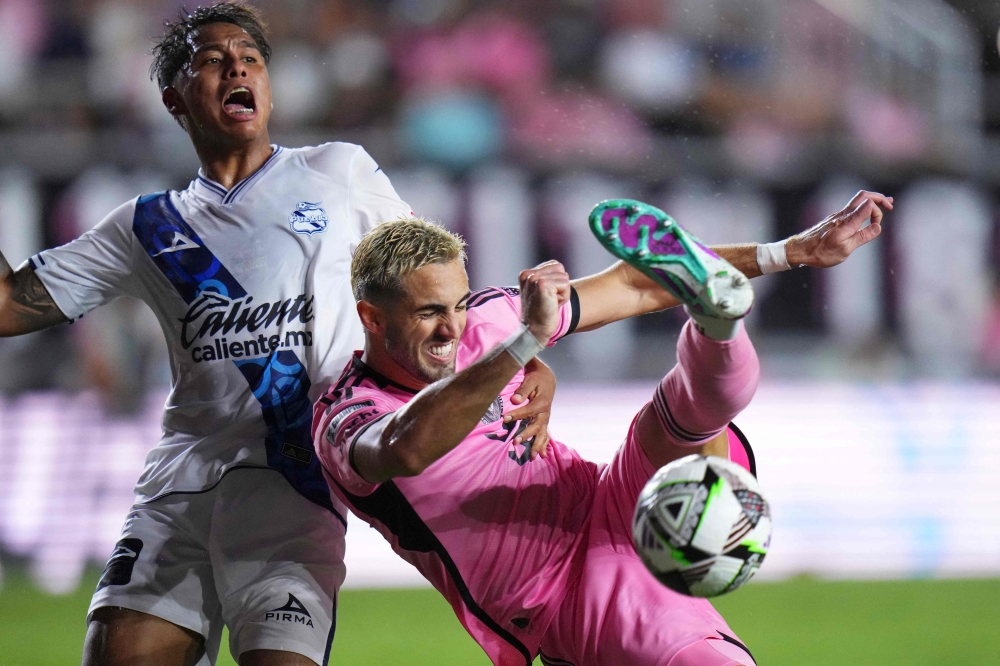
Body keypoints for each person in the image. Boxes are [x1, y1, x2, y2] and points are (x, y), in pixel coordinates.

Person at [0, 4, 562, 666]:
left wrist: (518, 357)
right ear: (174, 99)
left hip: (295, 492)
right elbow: (9, 306)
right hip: (177, 491)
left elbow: (429, 279)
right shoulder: (143, 227)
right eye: (212, 61)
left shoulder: (338, 172)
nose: (238, 68)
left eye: (251, 58)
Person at [312, 192, 891, 666]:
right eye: (428, 313)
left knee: (687, 415)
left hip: (608, 498)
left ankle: (715, 318)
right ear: (371, 317)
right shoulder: (345, 415)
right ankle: (716, 329)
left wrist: (789, 251)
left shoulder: (488, 319)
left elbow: (635, 285)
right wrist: (525, 345)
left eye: (458, 305)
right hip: (557, 587)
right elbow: (407, 447)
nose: (452, 328)